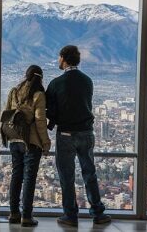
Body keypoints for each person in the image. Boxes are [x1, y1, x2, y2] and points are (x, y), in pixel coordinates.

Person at [46, 45, 111, 226]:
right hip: (87, 133)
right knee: (89, 172)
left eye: (59, 57)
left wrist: (54, 119)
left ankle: (70, 215)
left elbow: (50, 111)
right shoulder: (87, 81)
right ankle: (98, 213)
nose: (58, 60)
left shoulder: (56, 83)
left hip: (66, 134)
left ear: (64, 58)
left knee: (67, 176)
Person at [4, 65, 51, 227]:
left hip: (14, 140)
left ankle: (13, 213)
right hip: (31, 143)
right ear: (40, 79)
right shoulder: (38, 95)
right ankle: (26, 216)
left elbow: (7, 114)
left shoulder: (14, 92)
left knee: (16, 176)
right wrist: (46, 143)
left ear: (26, 76)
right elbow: (40, 122)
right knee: (29, 178)